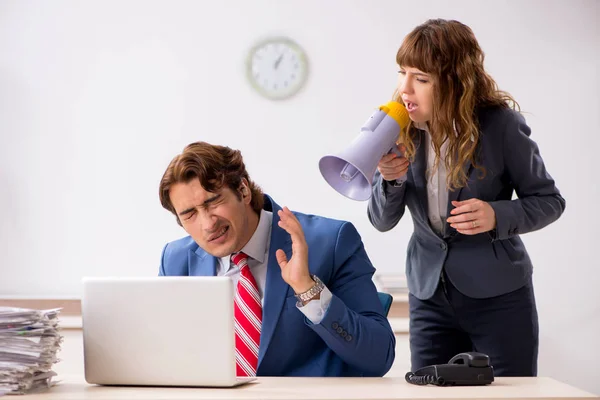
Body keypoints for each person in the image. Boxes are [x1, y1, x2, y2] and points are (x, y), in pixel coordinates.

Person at [367, 19, 565, 377]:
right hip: (428, 297)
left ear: (455, 81)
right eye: (403, 73)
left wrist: (496, 215)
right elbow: (381, 221)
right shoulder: (397, 127)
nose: (405, 89)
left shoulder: (501, 126)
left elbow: (550, 200)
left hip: (500, 297)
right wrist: (390, 180)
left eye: (421, 79)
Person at [158, 141, 395, 377]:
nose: (208, 224)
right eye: (189, 214)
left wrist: (308, 290)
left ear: (243, 190)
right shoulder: (176, 261)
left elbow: (378, 357)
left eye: (214, 202)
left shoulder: (331, 242)